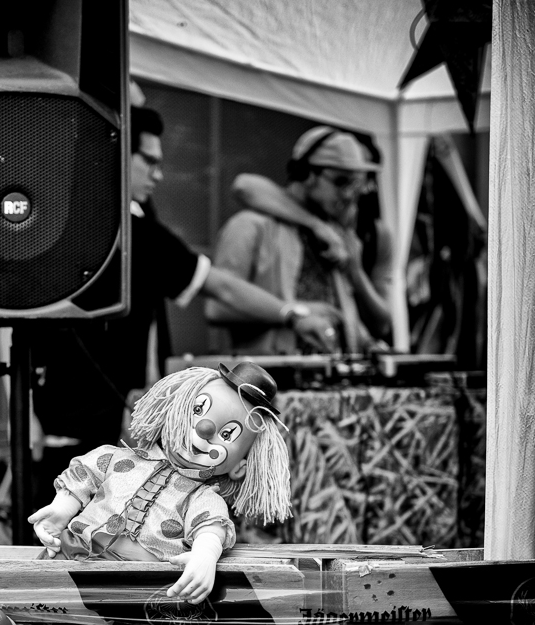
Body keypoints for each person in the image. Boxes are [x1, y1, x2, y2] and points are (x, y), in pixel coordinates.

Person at [30, 108, 340, 500]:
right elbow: (221, 287)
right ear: (115, 155)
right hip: (82, 428)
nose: (158, 175)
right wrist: (292, 313)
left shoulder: (72, 223)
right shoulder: (132, 229)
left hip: (83, 419)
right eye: (149, 162)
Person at [0, 361, 291, 625]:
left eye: (228, 433)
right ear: (172, 410)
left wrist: (205, 555)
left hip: (136, 573)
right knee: (44, 574)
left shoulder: (201, 496)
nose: (205, 430)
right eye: (198, 410)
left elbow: (211, 525)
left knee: (126, 597)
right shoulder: (118, 458)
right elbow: (85, 474)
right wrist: (62, 508)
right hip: (78, 549)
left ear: (240, 467)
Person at [205, 126, 394, 355]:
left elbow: (342, 312)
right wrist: (297, 312)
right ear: (307, 174)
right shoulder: (250, 226)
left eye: (354, 185)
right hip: (270, 375)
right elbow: (217, 307)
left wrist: (366, 343)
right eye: (340, 181)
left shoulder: (334, 238)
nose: (347, 194)